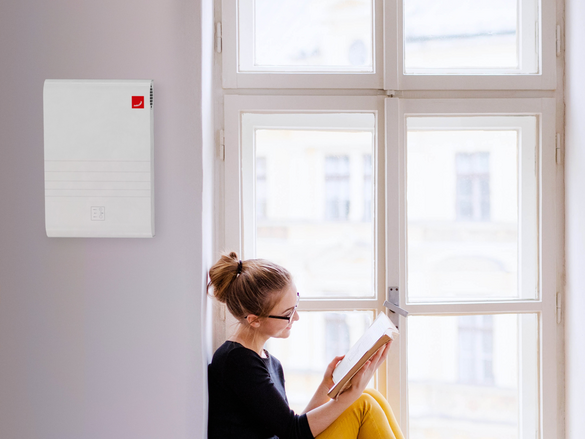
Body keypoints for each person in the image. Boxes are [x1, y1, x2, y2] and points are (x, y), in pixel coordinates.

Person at [207, 252, 404, 439]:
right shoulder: (237, 361)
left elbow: (290, 427)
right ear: (254, 320)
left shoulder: (268, 361)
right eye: (288, 313)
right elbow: (293, 432)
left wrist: (327, 384)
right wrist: (351, 394)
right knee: (363, 403)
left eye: (296, 306)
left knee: (370, 395)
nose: (297, 317)